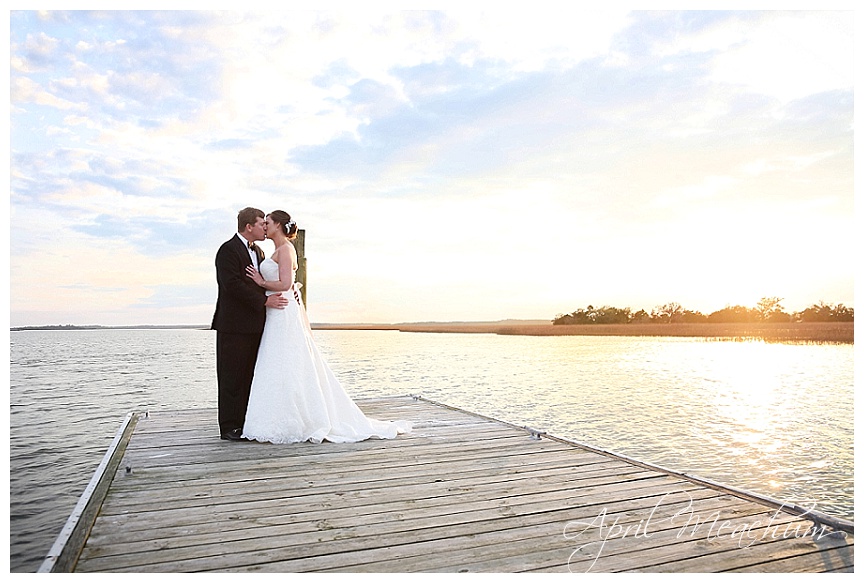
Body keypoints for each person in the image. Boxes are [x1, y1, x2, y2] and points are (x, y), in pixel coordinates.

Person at [242, 210, 410, 444]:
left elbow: (286, 283)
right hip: (275, 310)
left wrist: (260, 282)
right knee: (275, 362)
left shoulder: (287, 250)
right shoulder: (273, 251)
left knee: (287, 359)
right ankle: (274, 418)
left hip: (282, 311)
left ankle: (299, 419)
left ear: (278, 225)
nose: (265, 226)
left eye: (268, 222)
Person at [212, 207, 289, 441]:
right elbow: (232, 285)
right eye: (261, 224)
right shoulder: (228, 250)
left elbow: (269, 282)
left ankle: (247, 421)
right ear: (249, 227)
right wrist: (264, 300)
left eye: (266, 224)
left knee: (250, 375)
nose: (264, 228)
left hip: (257, 324)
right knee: (231, 376)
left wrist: (292, 290)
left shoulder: (260, 253)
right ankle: (229, 426)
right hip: (233, 325)